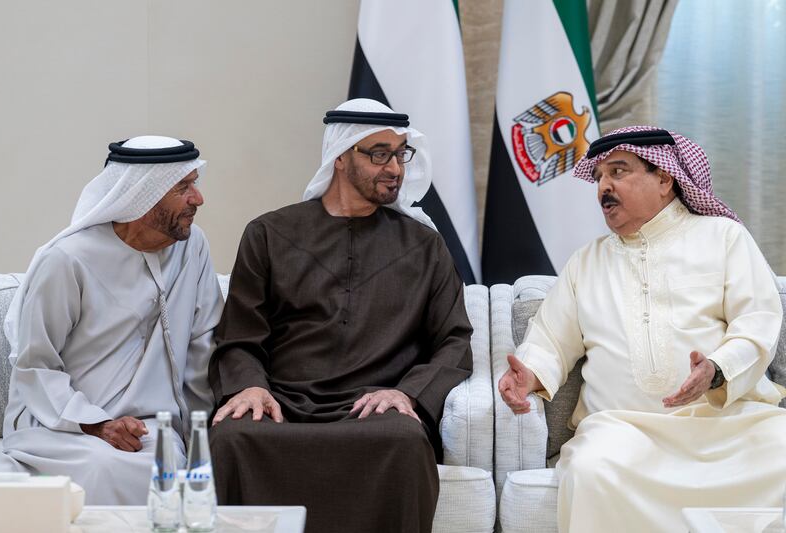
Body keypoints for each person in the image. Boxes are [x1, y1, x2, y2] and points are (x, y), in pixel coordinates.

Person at [498, 126, 786, 532]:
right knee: (591, 469)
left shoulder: (724, 238)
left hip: (729, 427)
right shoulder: (587, 262)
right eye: (598, 178)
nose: (603, 188)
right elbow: (549, 338)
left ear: (666, 178)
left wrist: (716, 369)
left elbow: (757, 322)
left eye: (618, 172)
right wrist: (527, 375)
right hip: (623, 431)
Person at [208, 98, 473, 533]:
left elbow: (454, 339)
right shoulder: (269, 234)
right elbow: (239, 337)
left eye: (400, 154)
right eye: (379, 153)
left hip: (374, 407)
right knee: (233, 437)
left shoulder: (424, 244)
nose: (395, 168)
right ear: (341, 157)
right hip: (283, 404)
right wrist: (250, 388)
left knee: (404, 441)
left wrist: (407, 394)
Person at [0, 136, 224, 505]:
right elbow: (36, 366)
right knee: (107, 467)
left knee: (161, 459)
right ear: (142, 195)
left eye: (194, 183)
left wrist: (205, 429)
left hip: (149, 426)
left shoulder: (192, 247)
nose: (198, 198)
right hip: (62, 425)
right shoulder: (68, 260)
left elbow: (205, 344)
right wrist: (95, 422)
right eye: (183, 187)